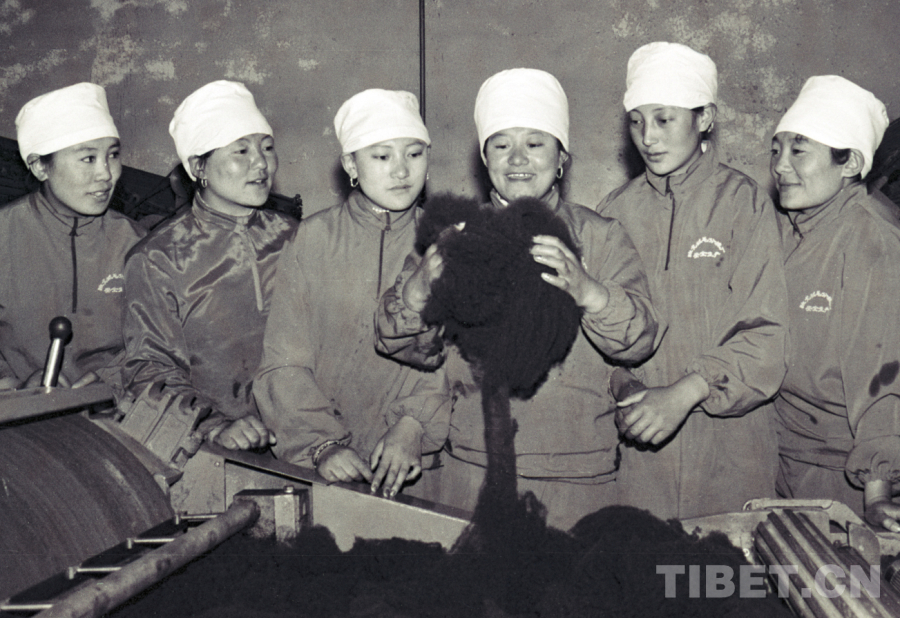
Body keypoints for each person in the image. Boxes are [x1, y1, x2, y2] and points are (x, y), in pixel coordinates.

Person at [375, 68, 660, 529]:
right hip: (474, 471)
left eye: (536, 143)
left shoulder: (601, 237)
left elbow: (639, 341)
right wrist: (420, 286)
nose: (518, 159)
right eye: (501, 145)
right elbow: (405, 346)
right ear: (484, 158)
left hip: (578, 479)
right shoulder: (457, 236)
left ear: (562, 156)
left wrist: (589, 290)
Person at [598, 42, 789, 520]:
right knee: (643, 561)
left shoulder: (743, 204)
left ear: (705, 118)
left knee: (722, 563)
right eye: (637, 121)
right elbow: (594, 337)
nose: (648, 137)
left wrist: (687, 391)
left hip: (729, 449)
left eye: (664, 119)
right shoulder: (615, 212)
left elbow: (767, 334)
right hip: (639, 454)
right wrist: (622, 384)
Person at [254, 89, 451, 499]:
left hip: (416, 462)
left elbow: (457, 361)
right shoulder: (313, 240)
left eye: (414, 154)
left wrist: (414, 424)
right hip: (326, 466)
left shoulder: (446, 243)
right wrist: (322, 444)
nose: (401, 170)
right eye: (382, 156)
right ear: (350, 165)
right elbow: (284, 361)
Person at [120, 81, 297, 470]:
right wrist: (213, 423)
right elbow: (151, 369)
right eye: (241, 151)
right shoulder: (158, 258)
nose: (261, 164)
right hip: (212, 453)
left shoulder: (297, 238)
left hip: (307, 440)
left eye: (267, 147)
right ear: (198, 167)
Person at [770, 75, 900, 531]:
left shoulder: (872, 240)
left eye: (799, 151)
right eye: (776, 150)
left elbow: (884, 375)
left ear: (851, 164)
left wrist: (878, 492)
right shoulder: (791, 229)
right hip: (783, 457)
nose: (780, 166)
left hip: (843, 475)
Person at [0, 83, 144, 393]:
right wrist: (14, 383)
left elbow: (159, 340)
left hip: (117, 403)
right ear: (40, 167)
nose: (106, 174)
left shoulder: (136, 243)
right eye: (88, 158)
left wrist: (113, 376)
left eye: (113, 155)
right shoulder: (4, 235)